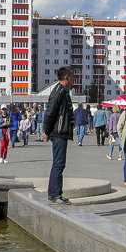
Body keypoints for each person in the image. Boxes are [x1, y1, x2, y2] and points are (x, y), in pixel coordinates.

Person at [41, 67, 74, 205]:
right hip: (58, 132)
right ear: (67, 77)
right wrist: (46, 131)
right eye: (72, 77)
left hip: (61, 132)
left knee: (59, 164)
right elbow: (50, 112)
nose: (73, 79)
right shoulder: (59, 91)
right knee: (58, 164)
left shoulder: (63, 91)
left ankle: (55, 194)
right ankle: (55, 195)